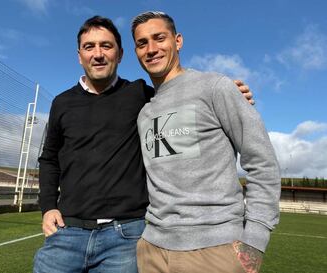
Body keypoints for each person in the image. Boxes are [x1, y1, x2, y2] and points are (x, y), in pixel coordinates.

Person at [34, 15, 254, 273]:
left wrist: (229, 92)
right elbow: (49, 159)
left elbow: (182, 94)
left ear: (121, 54)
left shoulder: (139, 93)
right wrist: (48, 207)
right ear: (79, 55)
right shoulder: (62, 102)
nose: (98, 54)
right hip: (67, 233)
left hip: (125, 237)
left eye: (106, 46)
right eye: (89, 47)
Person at [131, 11, 281, 273]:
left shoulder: (215, 87)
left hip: (214, 251)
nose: (151, 49)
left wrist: (255, 240)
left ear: (178, 41)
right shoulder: (144, 112)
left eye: (159, 38)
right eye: (142, 43)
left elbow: (261, 161)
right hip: (152, 251)